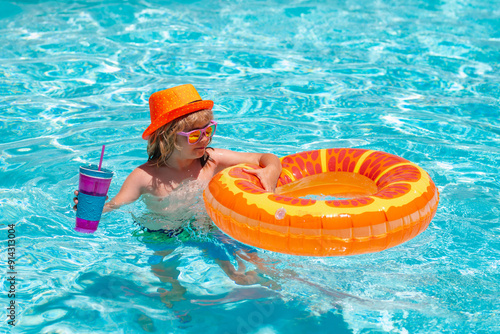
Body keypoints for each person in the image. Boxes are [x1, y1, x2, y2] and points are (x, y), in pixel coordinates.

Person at [73, 84, 283, 308]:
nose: (204, 140)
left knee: (246, 271)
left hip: (206, 229)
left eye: (208, 130)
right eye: (194, 135)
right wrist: (90, 205)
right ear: (167, 138)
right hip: (161, 234)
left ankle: (286, 292)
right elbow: (114, 205)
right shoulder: (144, 177)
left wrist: (269, 172)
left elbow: (266, 157)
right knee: (170, 283)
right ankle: (178, 314)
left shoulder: (211, 160)